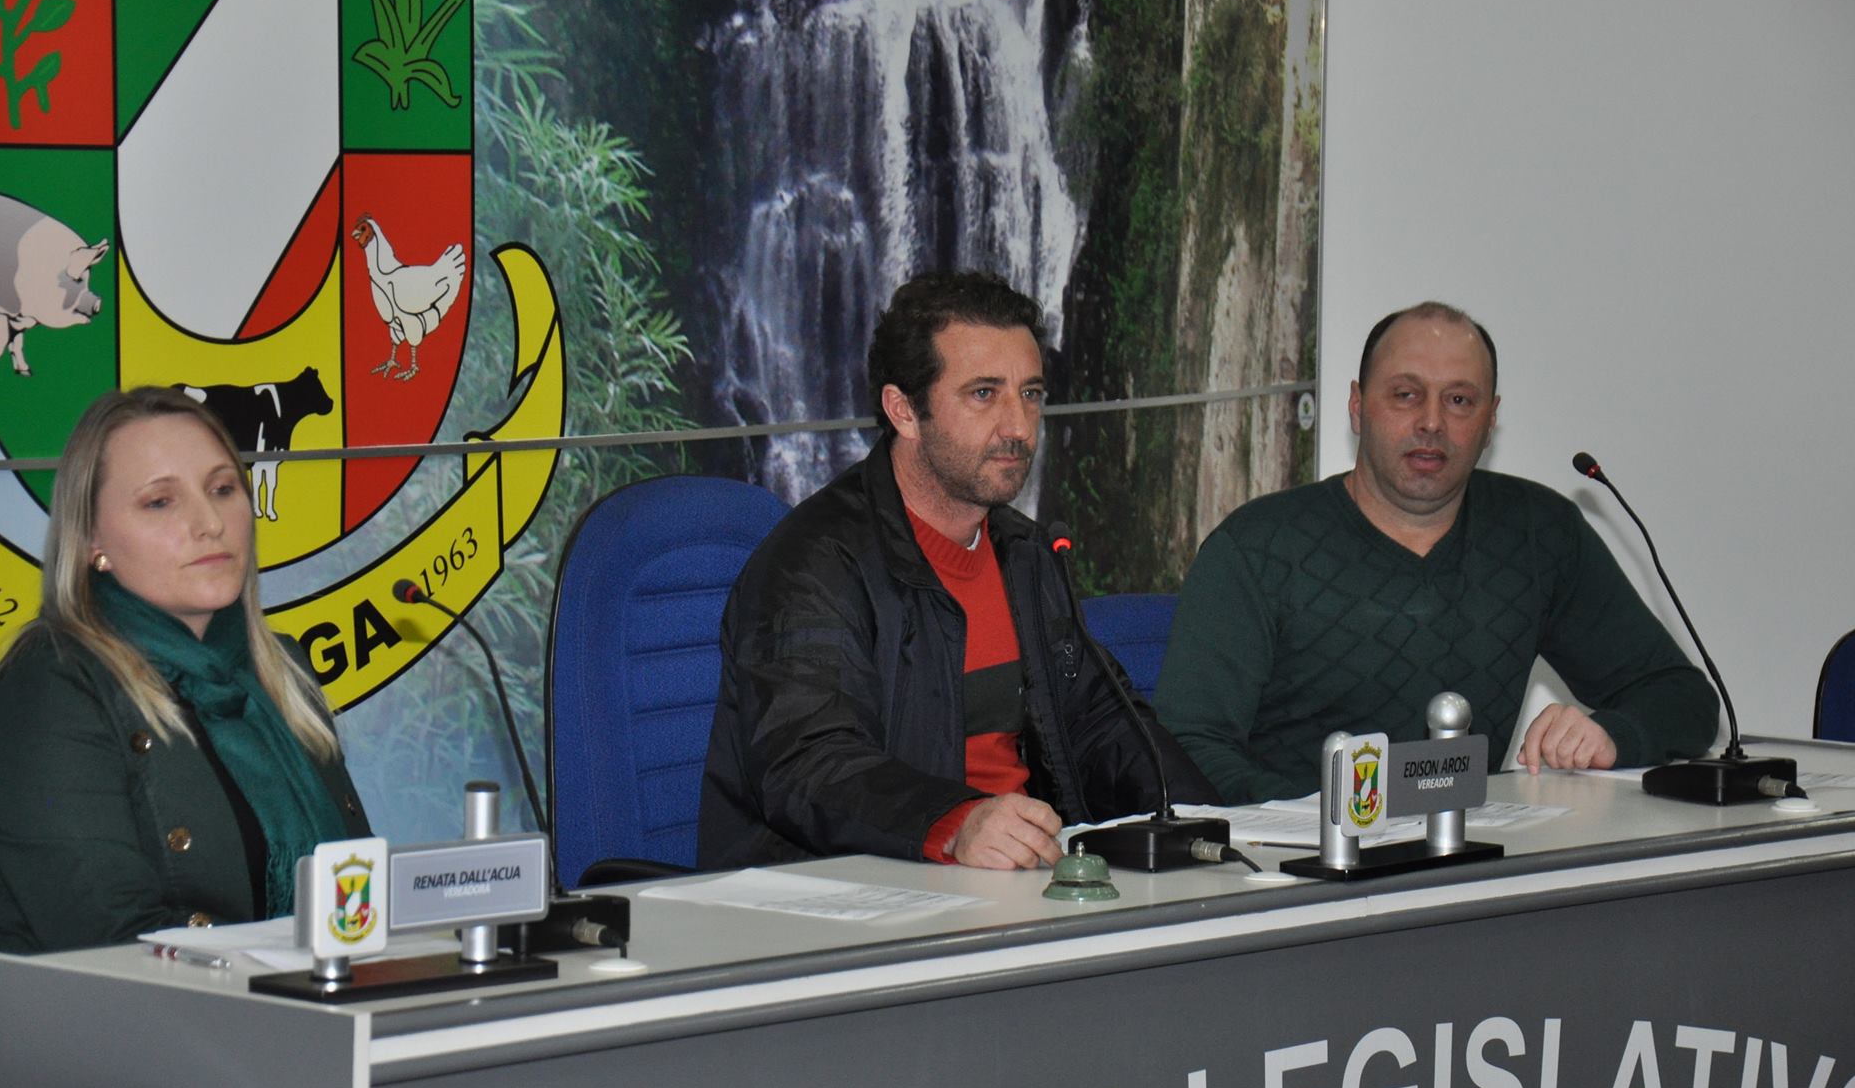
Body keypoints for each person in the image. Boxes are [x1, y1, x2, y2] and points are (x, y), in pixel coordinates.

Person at [699, 271, 1217, 870]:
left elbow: (1102, 723)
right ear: (904, 411)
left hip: (1019, 880)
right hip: (859, 889)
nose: (1018, 427)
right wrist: (955, 823)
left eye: (1030, 393)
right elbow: (808, 764)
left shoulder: (1027, 555)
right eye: (984, 394)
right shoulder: (811, 566)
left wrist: (1209, 822)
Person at [1156, 301, 1718, 803]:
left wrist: (1614, 735)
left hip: (1469, 855)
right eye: (1405, 395)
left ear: (1491, 419)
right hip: (1293, 860)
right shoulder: (1258, 549)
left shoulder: (1538, 532)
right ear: (1357, 406)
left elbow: (1684, 698)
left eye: (1459, 400)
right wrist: (1341, 815)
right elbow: (1186, 750)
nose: (1431, 422)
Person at [0, 388, 370, 953]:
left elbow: (358, 898)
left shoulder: (282, 671)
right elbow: (113, 943)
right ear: (92, 541)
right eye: (160, 502)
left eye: (222, 489)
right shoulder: (46, 691)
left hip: (310, 995)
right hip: (129, 1007)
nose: (209, 523)